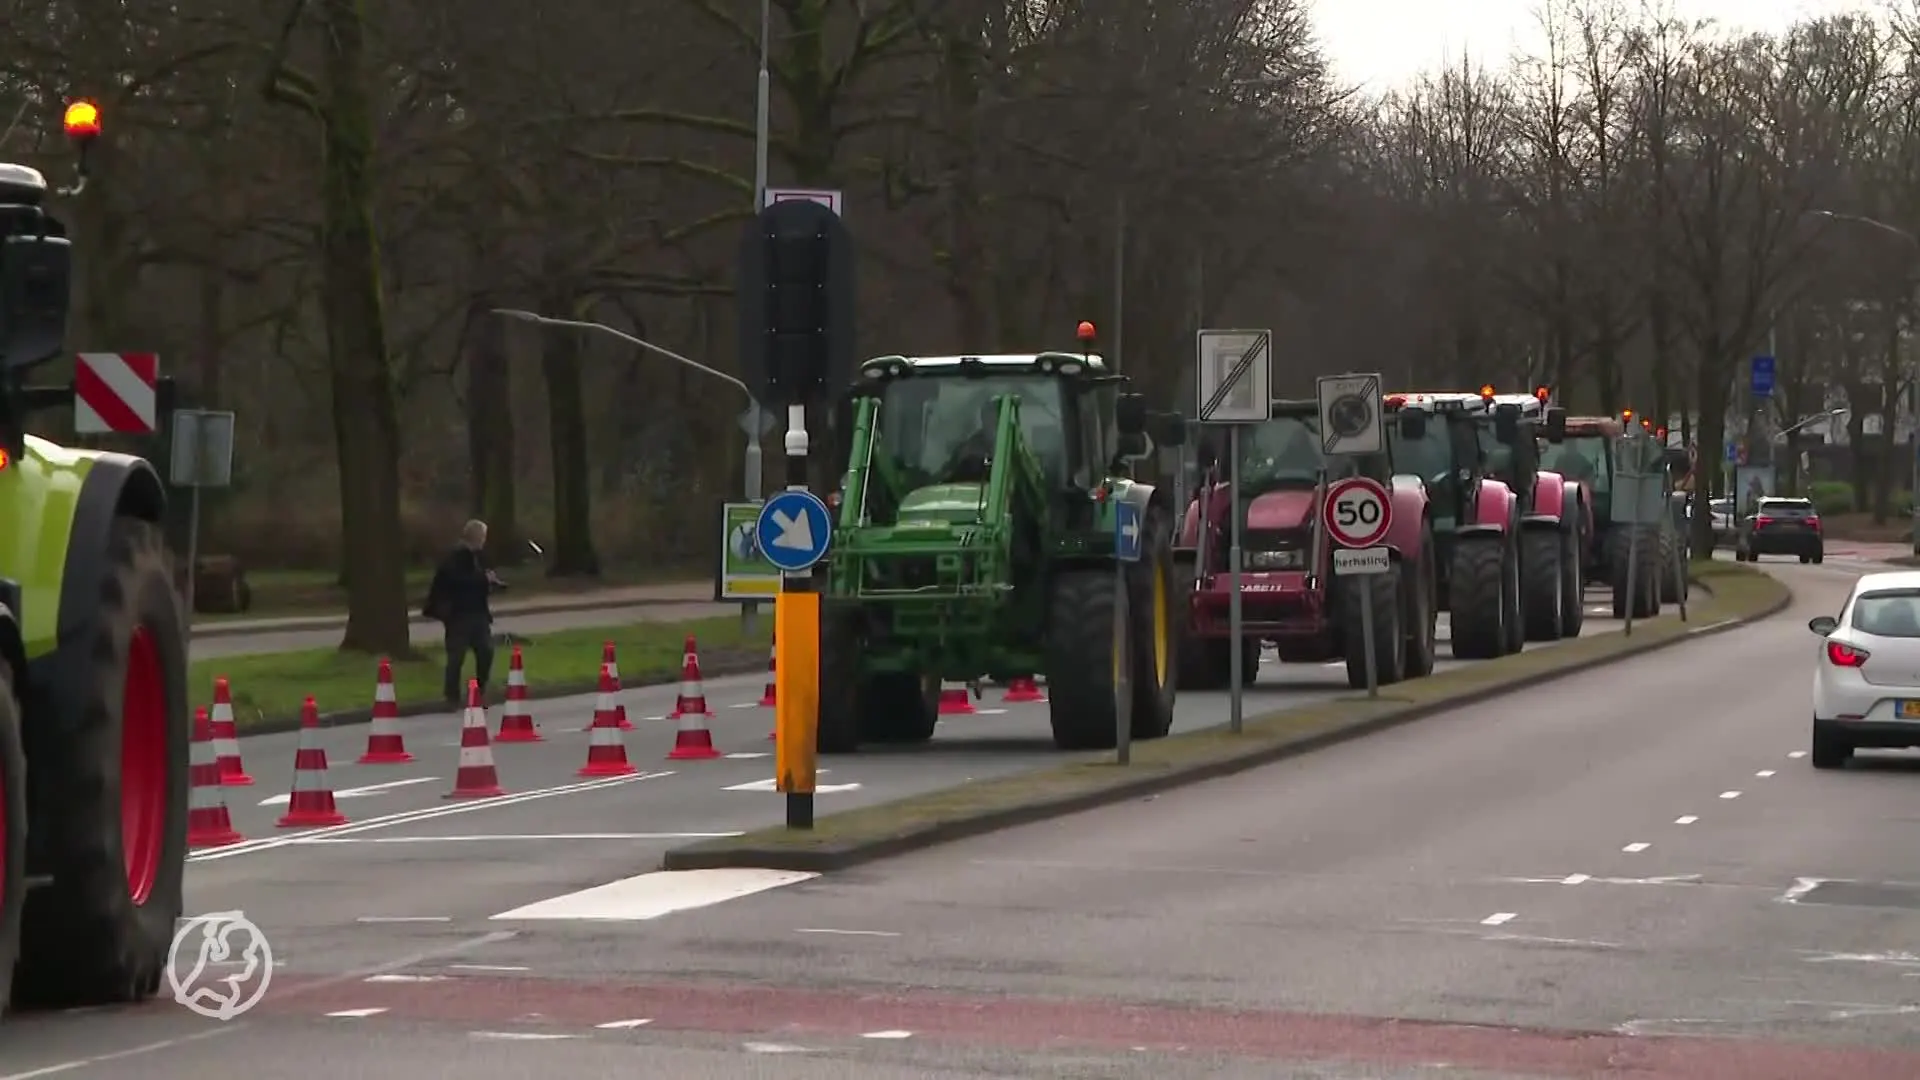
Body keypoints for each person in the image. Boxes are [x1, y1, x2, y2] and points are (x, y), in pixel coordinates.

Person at [424, 519, 504, 706]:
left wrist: (491, 583)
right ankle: (451, 696)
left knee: (485, 651)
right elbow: (457, 581)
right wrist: (483, 579)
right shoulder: (456, 557)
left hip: (477, 612)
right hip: (459, 614)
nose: (485, 540)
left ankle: (479, 691)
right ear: (477, 536)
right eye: (484, 536)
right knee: (456, 656)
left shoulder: (478, 557)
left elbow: (478, 581)